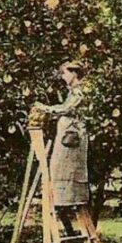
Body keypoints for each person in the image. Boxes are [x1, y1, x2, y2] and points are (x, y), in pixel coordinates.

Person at [34, 61, 90, 232]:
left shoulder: (79, 92)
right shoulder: (73, 92)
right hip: (67, 138)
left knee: (67, 170)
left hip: (72, 141)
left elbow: (66, 109)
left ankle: (67, 203)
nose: (64, 77)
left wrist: (45, 108)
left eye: (65, 73)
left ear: (74, 73)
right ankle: (63, 205)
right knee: (59, 169)